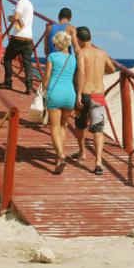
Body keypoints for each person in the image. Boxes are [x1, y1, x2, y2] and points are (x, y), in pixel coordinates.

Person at [74, 26, 115, 175]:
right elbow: (112, 69)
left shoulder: (81, 54)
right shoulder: (102, 53)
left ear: (78, 39)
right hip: (98, 95)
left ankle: (82, 152)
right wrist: (99, 72)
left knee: (79, 125)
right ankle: (98, 161)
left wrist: (78, 94)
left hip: (85, 94)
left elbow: (82, 73)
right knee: (98, 130)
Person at [42, 31, 77, 175]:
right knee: (63, 126)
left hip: (55, 93)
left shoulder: (52, 56)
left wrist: (43, 90)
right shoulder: (73, 59)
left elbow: (47, 76)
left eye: (54, 42)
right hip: (69, 95)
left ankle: (61, 155)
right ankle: (58, 159)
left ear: (57, 43)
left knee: (54, 127)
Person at [0, 0, 34, 94]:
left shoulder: (21, 2)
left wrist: (10, 18)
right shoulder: (30, 4)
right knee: (27, 62)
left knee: (7, 58)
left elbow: (16, 17)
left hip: (18, 37)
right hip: (28, 38)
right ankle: (29, 87)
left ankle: (8, 82)